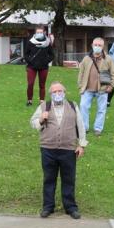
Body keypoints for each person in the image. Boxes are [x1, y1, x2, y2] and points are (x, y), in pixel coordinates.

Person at [30, 82, 88, 219]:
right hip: (48, 149)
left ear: (64, 92)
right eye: (54, 92)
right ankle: (48, 207)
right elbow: (33, 123)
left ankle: (71, 207)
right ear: (50, 94)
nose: (57, 94)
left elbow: (80, 125)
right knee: (49, 178)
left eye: (60, 91)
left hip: (68, 149)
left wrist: (81, 145)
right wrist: (40, 119)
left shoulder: (73, 106)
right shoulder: (44, 106)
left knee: (69, 179)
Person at [77, 37, 114, 136]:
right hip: (87, 89)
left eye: (100, 45)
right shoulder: (86, 58)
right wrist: (80, 86)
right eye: (95, 45)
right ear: (92, 45)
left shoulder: (108, 59)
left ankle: (98, 128)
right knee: (83, 107)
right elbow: (81, 73)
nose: (97, 47)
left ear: (103, 47)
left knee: (101, 110)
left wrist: (111, 86)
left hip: (102, 90)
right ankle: (84, 127)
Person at [25, 26, 54, 106]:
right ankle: (29, 100)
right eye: (38, 32)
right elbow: (26, 54)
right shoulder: (31, 42)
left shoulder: (47, 43)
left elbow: (52, 55)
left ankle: (41, 101)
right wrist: (30, 61)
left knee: (42, 85)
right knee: (30, 84)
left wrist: (46, 61)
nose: (39, 34)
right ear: (35, 33)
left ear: (44, 32)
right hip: (32, 67)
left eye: (41, 32)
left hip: (43, 67)